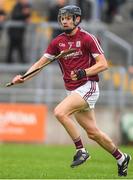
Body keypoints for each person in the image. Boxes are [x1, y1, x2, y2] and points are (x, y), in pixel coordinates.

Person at [10, 5, 131, 176]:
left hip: (88, 87)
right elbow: (39, 64)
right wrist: (24, 77)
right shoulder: (57, 42)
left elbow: (103, 64)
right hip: (72, 91)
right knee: (93, 133)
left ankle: (81, 150)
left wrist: (83, 72)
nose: (65, 21)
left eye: (68, 18)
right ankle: (121, 158)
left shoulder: (88, 38)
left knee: (60, 112)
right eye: (62, 18)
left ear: (77, 19)